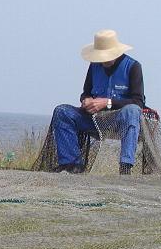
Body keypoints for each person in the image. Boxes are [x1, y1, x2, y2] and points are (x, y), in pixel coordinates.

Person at [50, 29, 145, 175]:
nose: (103, 60)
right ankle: (72, 165)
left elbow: (138, 102)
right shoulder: (94, 66)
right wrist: (86, 100)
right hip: (94, 120)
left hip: (120, 121)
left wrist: (107, 103)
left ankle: (125, 167)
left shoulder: (133, 66)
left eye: (107, 56)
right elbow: (85, 93)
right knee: (62, 111)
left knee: (132, 110)